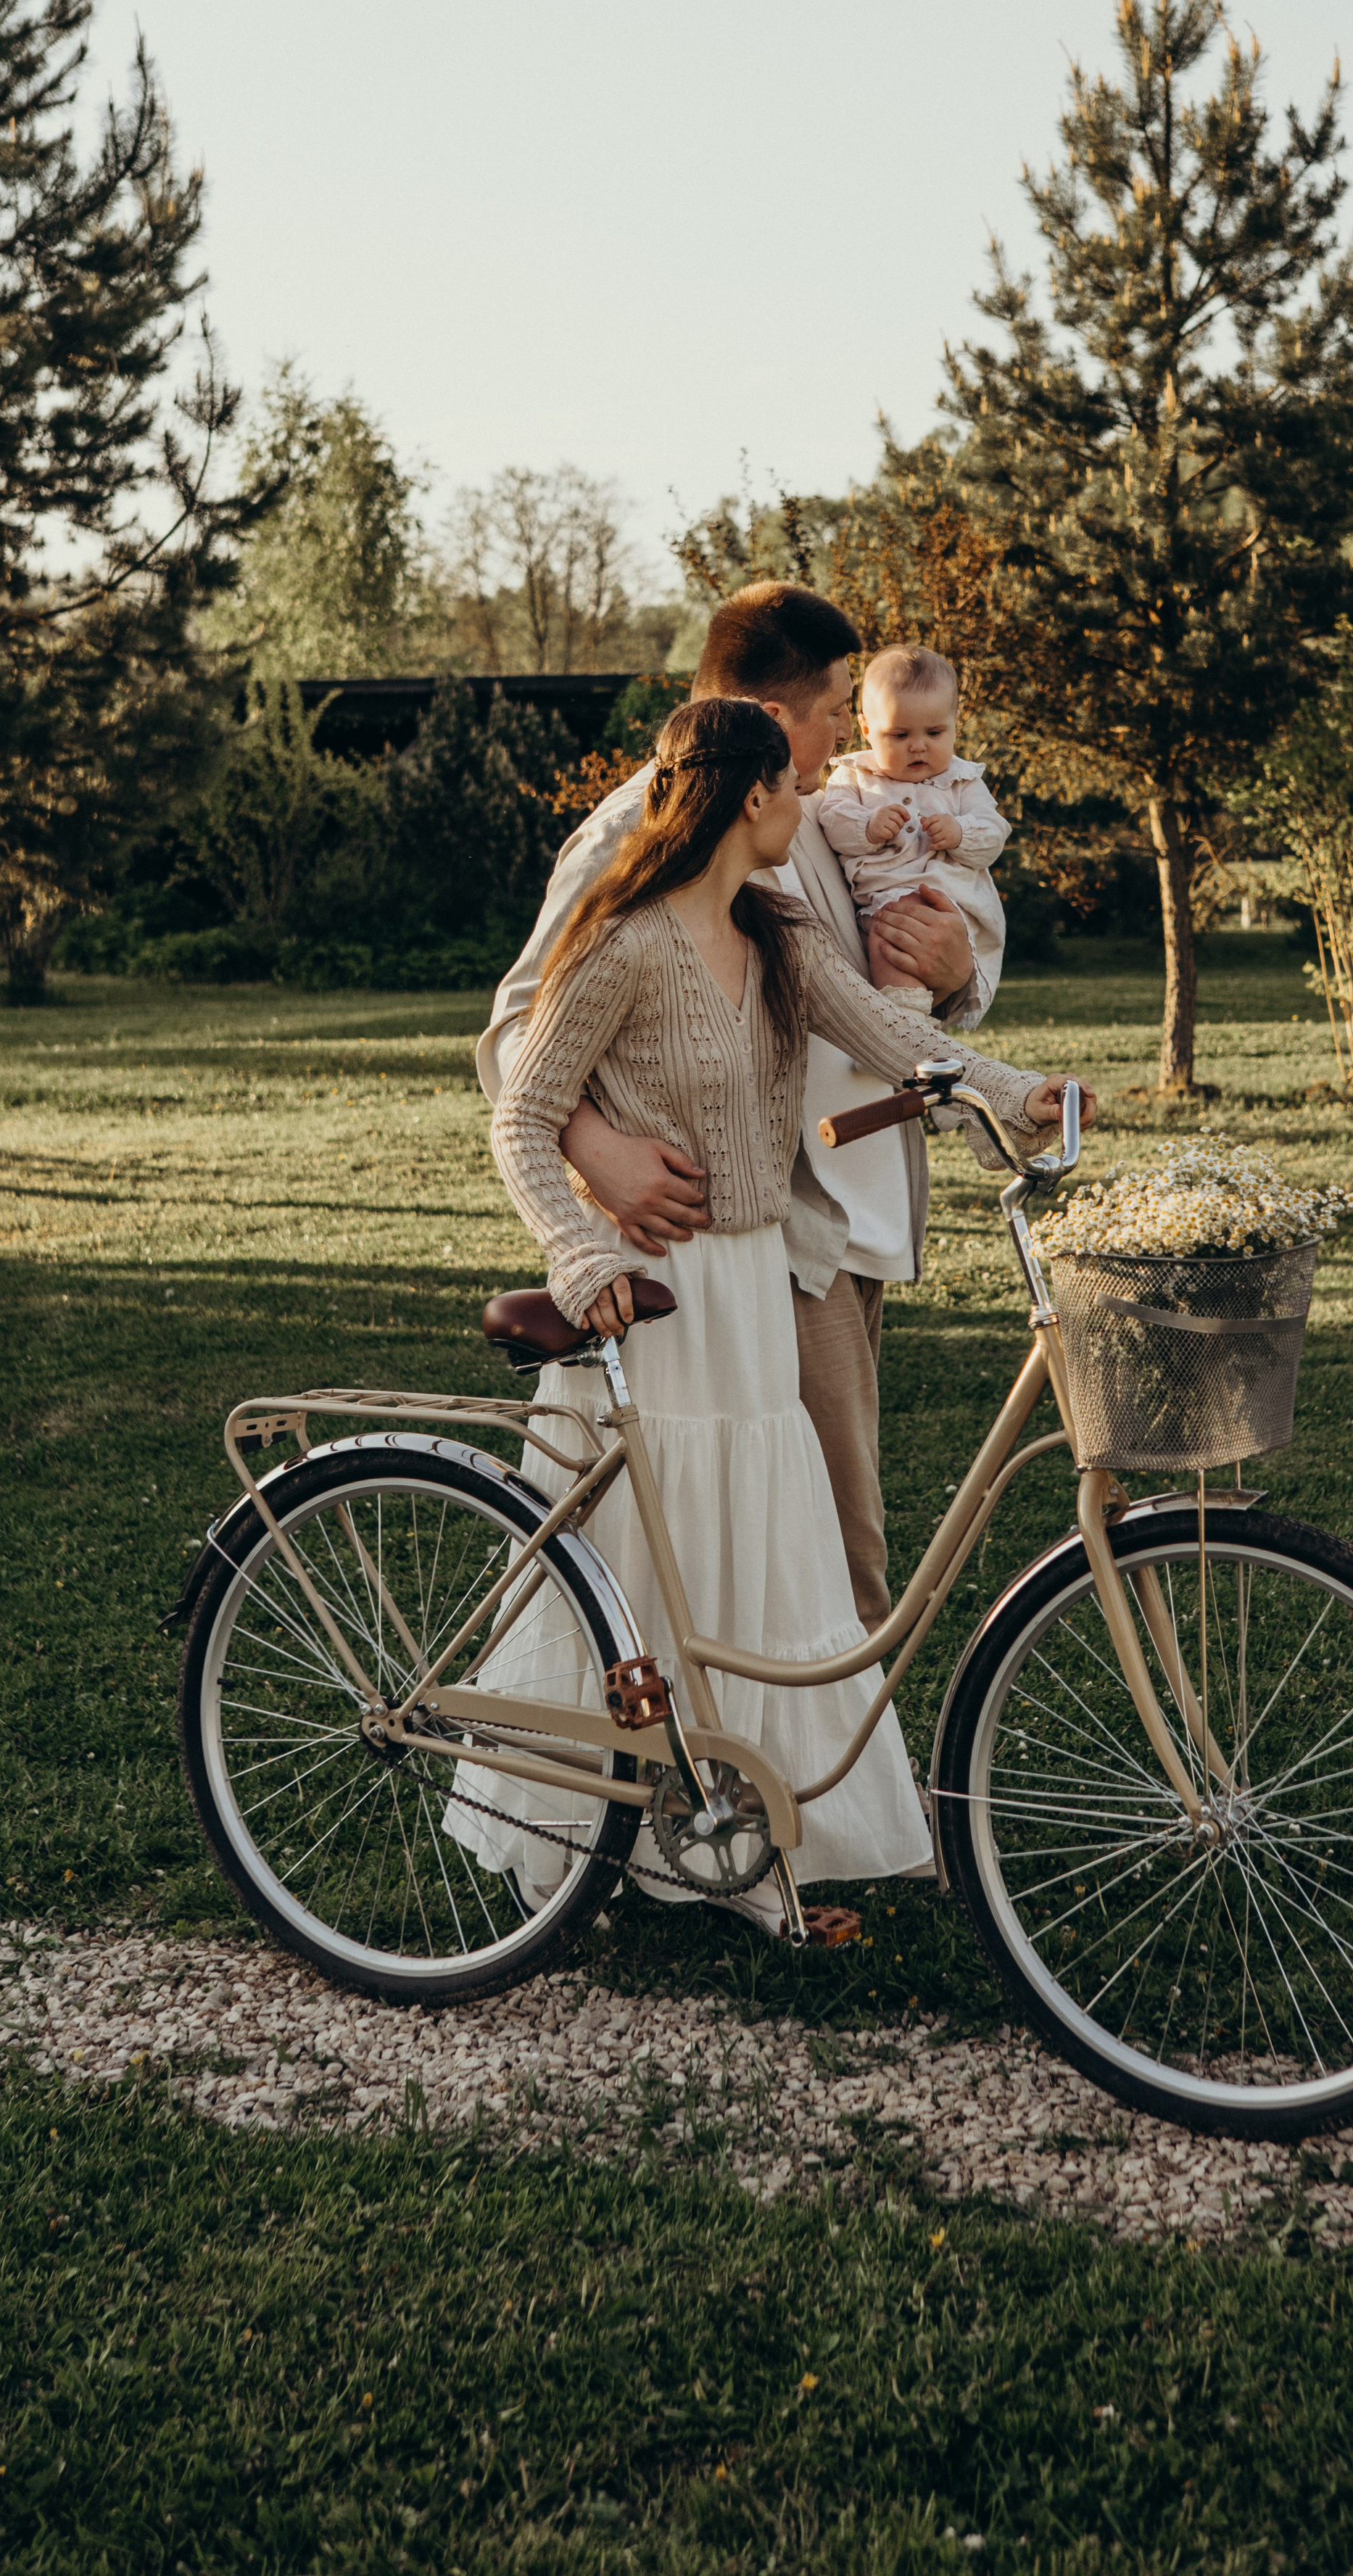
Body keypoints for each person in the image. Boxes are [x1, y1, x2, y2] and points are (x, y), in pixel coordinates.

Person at [477, 696, 1091, 1922]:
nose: (810, 806)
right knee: (662, 1567)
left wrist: (1022, 1094)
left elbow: (887, 1032)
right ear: (751, 796)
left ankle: (753, 1845)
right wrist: (577, 1253)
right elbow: (521, 1116)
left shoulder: (778, 929)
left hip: (755, 1287)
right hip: (659, 1300)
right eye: (791, 790)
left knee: (763, 1568)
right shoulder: (626, 941)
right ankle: (632, 1846)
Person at [476, 581, 995, 1633]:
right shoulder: (643, 825)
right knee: (823, 1567)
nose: (854, 731)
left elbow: (867, 993)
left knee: (795, 1549)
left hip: (850, 1231)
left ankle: (765, 1779)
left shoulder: (824, 811)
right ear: (767, 721)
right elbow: (520, 1026)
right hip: (758, 1232)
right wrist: (599, 1150)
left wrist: (959, 975)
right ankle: (790, 1788)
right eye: (840, 705)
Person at [814, 645, 1009, 1014]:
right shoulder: (854, 776)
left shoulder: (962, 781)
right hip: (881, 905)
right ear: (867, 729)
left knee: (912, 937)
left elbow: (993, 834)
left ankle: (908, 1024)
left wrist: (961, 833)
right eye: (899, 736)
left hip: (950, 905)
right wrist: (868, 828)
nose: (918, 746)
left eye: (935, 733)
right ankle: (905, 1020)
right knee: (888, 943)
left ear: (955, 723)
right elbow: (834, 821)